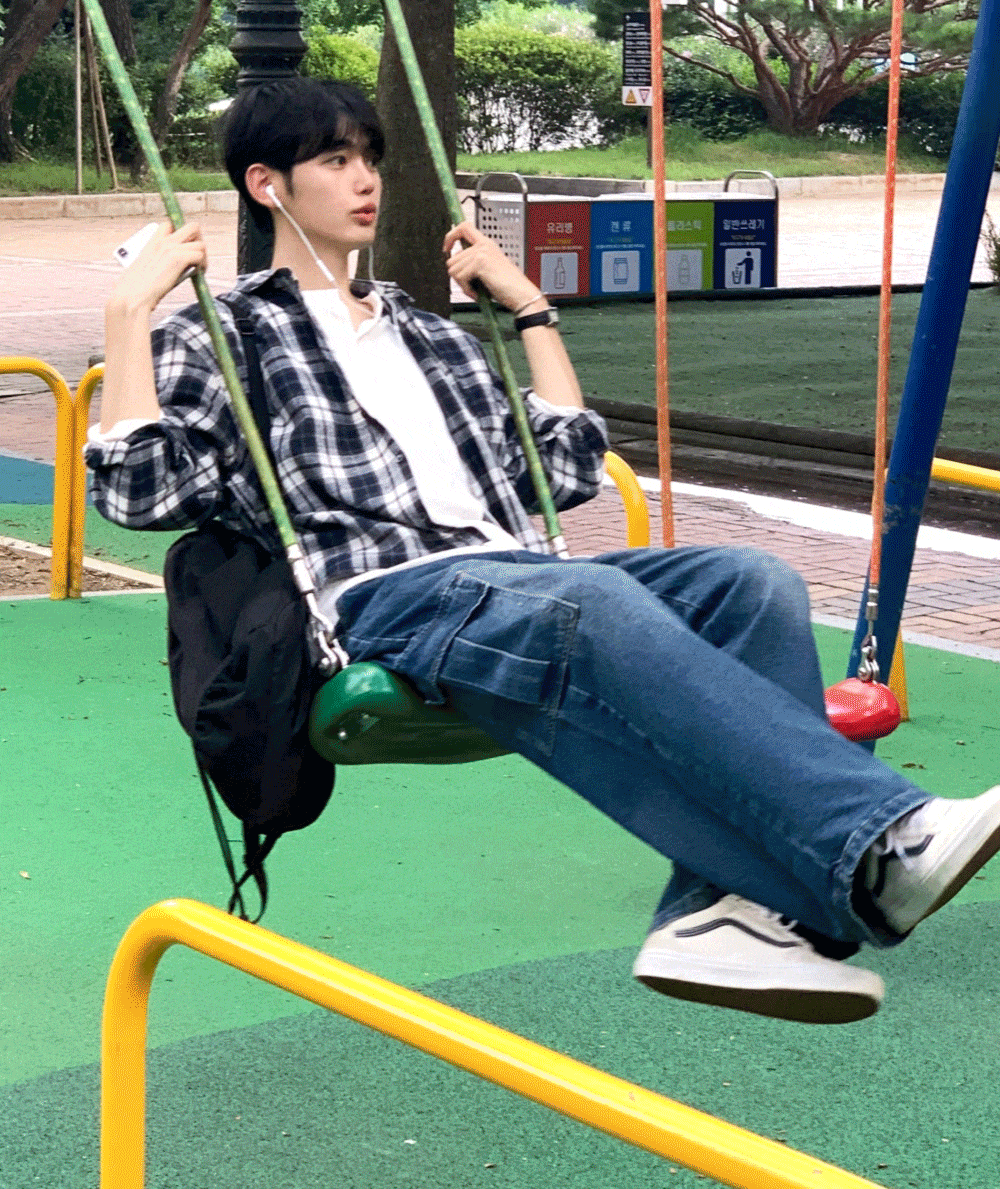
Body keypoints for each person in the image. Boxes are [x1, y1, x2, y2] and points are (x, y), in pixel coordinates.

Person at [84, 77, 1000, 1025]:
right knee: (587, 605)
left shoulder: (428, 336)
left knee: (750, 581)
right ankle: (881, 837)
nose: (366, 181)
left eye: (371, 160)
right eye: (336, 160)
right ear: (267, 184)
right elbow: (142, 491)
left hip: (507, 576)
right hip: (380, 595)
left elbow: (558, 467)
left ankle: (723, 917)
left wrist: (530, 310)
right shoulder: (225, 334)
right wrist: (128, 315)